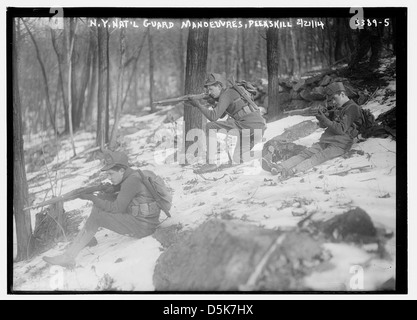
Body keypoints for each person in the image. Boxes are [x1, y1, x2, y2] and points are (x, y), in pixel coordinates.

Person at [43, 151, 161, 268]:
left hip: (143, 227)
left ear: (121, 170)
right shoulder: (132, 175)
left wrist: (92, 198)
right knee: (103, 198)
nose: (109, 178)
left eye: (111, 174)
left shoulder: (131, 181)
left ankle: (68, 256)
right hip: (146, 222)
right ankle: (86, 236)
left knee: (98, 215)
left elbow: (116, 208)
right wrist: (110, 191)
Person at [268, 82, 363, 179]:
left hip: (340, 144)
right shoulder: (338, 108)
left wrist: (325, 119)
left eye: (334, 98)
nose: (333, 102)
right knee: (306, 153)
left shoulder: (353, 108)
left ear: (342, 94)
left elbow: (341, 129)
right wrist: (322, 118)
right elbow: (324, 125)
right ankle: (280, 167)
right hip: (327, 140)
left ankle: (293, 171)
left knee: (318, 157)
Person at [187, 73, 267, 173]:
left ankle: (210, 163)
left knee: (210, 127)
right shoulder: (230, 93)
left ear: (219, 86)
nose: (209, 92)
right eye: (208, 90)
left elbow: (213, 117)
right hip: (258, 127)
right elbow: (221, 115)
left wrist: (198, 105)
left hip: (248, 126)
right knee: (238, 157)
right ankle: (267, 153)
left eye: (211, 89)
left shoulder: (227, 94)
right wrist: (213, 102)